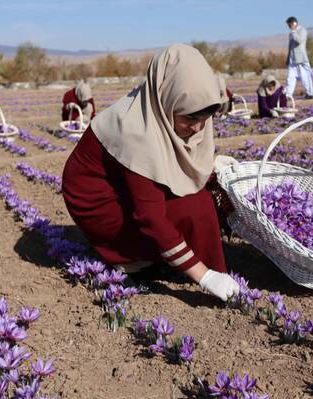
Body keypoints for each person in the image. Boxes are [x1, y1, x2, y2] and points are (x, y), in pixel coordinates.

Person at [62, 44, 240, 303]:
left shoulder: (167, 109)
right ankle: (130, 261)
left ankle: (173, 257)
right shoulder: (137, 131)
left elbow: (175, 167)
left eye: (206, 116)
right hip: (98, 202)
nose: (198, 127)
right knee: (193, 207)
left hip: (123, 184)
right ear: (167, 100)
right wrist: (205, 276)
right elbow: (150, 217)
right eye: (190, 118)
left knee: (202, 195)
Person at [285, 16, 313, 99]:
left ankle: (310, 93)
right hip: (292, 60)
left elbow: (299, 40)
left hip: (301, 59)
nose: (289, 27)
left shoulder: (302, 30)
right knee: (290, 78)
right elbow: (290, 47)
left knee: (305, 77)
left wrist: (294, 31)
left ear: (294, 23)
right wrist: (288, 59)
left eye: (289, 25)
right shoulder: (291, 33)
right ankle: (288, 95)